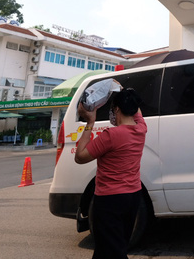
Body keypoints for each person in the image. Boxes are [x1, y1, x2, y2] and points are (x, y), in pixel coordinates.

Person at [75, 88, 147, 259]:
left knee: (112, 250)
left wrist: (89, 123)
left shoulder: (112, 135)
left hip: (109, 200)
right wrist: (126, 93)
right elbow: (137, 111)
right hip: (133, 196)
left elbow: (80, 157)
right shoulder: (141, 129)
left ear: (117, 109)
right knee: (115, 245)